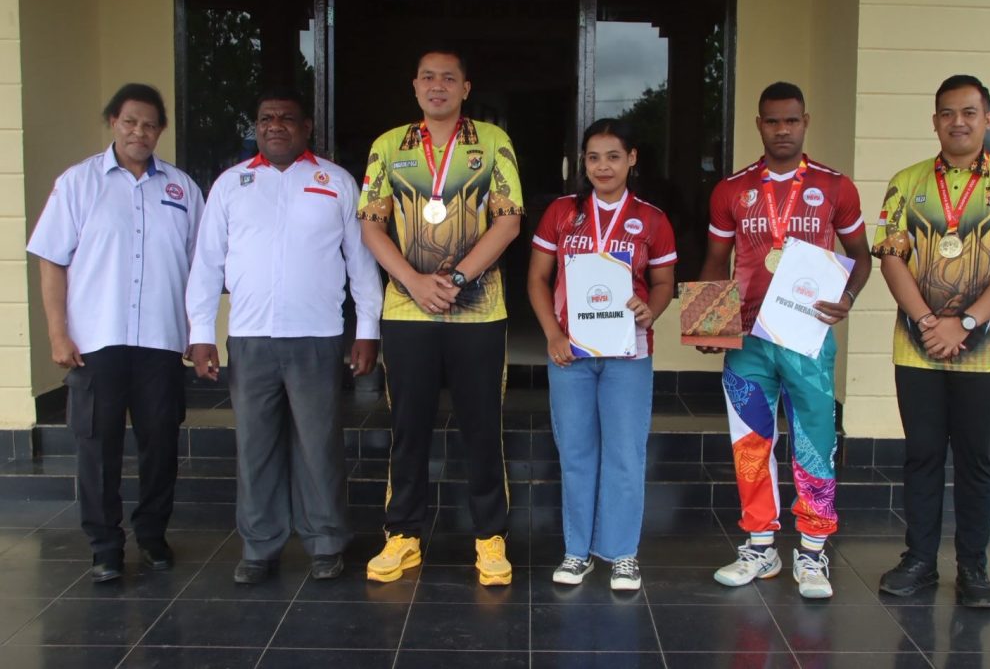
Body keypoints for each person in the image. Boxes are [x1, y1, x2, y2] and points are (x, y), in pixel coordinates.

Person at [186, 87, 382, 584]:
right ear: (256, 127)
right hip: (250, 338)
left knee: (319, 446)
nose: (275, 125)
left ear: (306, 127)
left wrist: (367, 329)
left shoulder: (335, 181)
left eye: (287, 118)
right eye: (266, 118)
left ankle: (325, 542)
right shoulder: (231, 184)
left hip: (317, 337)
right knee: (255, 448)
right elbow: (206, 263)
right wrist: (201, 332)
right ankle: (259, 545)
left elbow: (361, 262)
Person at [872, 75, 990, 608]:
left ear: (988, 118)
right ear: (935, 121)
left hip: (985, 353)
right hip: (916, 348)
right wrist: (928, 322)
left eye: (969, 112)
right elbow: (891, 260)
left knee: (976, 462)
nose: (958, 122)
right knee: (921, 456)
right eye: (947, 113)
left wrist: (964, 324)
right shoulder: (906, 182)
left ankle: (974, 568)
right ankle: (919, 561)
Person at [359, 48, 524, 586]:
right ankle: (402, 535)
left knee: (483, 427)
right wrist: (413, 281)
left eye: (448, 78)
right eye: (428, 77)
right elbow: (370, 226)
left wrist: (456, 280)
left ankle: (490, 537)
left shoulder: (493, 142)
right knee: (408, 428)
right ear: (414, 86)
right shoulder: (388, 146)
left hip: (479, 312)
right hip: (407, 311)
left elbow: (508, 222)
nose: (438, 86)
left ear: (465, 88)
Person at [700, 82, 871, 599]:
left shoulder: (835, 187)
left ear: (805, 122)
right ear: (759, 124)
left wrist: (848, 297)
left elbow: (861, 256)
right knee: (750, 442)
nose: (782, 130)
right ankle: (760, 545)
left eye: (791, 120)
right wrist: (708, 321)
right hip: (749, 338)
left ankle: (813, 551)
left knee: (814, 442)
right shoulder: (731, 190)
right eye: (772, 121)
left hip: (808, 338)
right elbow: (715, 259)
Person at [27, 83, 203, 583]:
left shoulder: (182, 189)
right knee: (97, 448)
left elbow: (201, 267)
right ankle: (105, 545)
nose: (138, 132)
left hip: (161, 342)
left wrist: (198, 333)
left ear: (160, 130)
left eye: (149, 124)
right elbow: (51, 261)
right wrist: (58, 333)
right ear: (113, 123)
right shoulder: (78, 183)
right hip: (95, 343)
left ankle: (152, 535)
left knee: (160, 446)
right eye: (130, 122)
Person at [527, 118, 676, 591]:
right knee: (576, 452)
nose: (603, 166)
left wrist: (651, 310)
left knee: (625, 453)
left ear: (632, 159)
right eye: (593, 157)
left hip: (628, 353)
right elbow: (537, 279)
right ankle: (576, 552)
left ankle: (622, 553)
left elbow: (663, 282)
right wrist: (552, 334)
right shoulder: (561, 213)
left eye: (613, 156)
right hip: (570, 352)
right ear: (583, 163)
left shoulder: (652, 219)